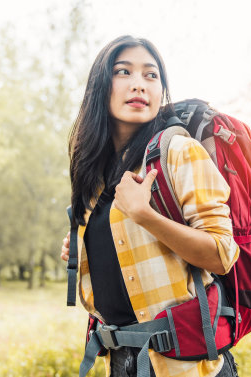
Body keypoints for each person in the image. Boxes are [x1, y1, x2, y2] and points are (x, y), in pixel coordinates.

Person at [60, 35, 240, 377]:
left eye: (151, 75)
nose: (139, 85)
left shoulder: (178, 152)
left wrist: (145, 216)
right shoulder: (94, 173)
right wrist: (82, 248)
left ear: (161, 91)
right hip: (122, 363)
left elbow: (222, 254)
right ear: (100, 86)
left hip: (187, 368)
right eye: (123, 72)